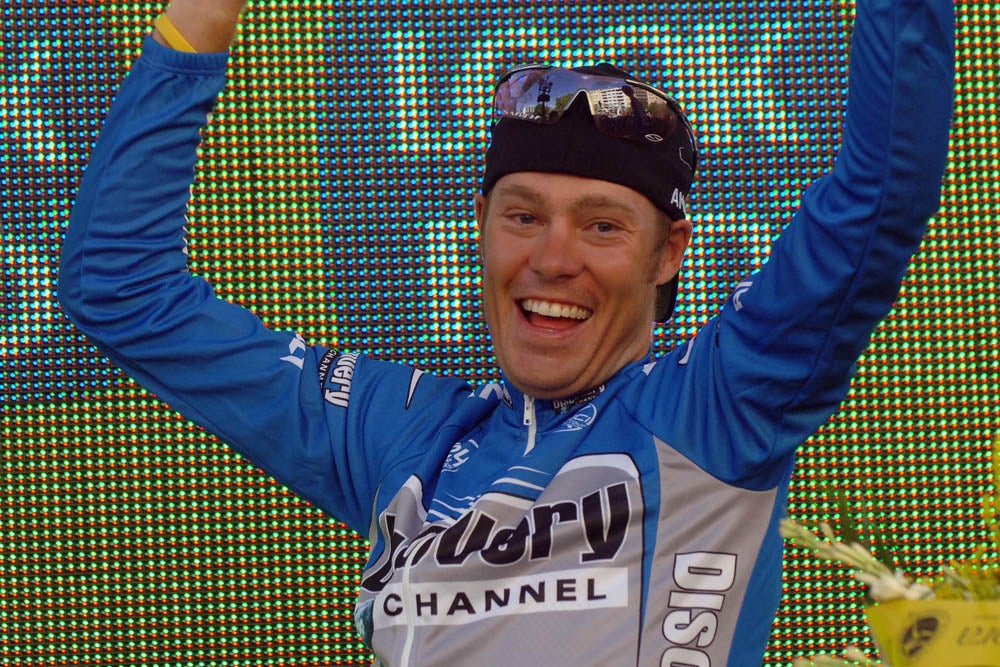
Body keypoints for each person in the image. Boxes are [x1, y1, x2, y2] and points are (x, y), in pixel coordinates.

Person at [58, 0, 955, 664]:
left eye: (602, 226)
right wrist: (201, 20)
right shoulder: (403, 430)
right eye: (523, 216)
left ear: (669, 251)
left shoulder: (719, 405)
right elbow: (123, 290)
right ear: (481, 219)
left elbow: (878, 193)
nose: (553, 258)